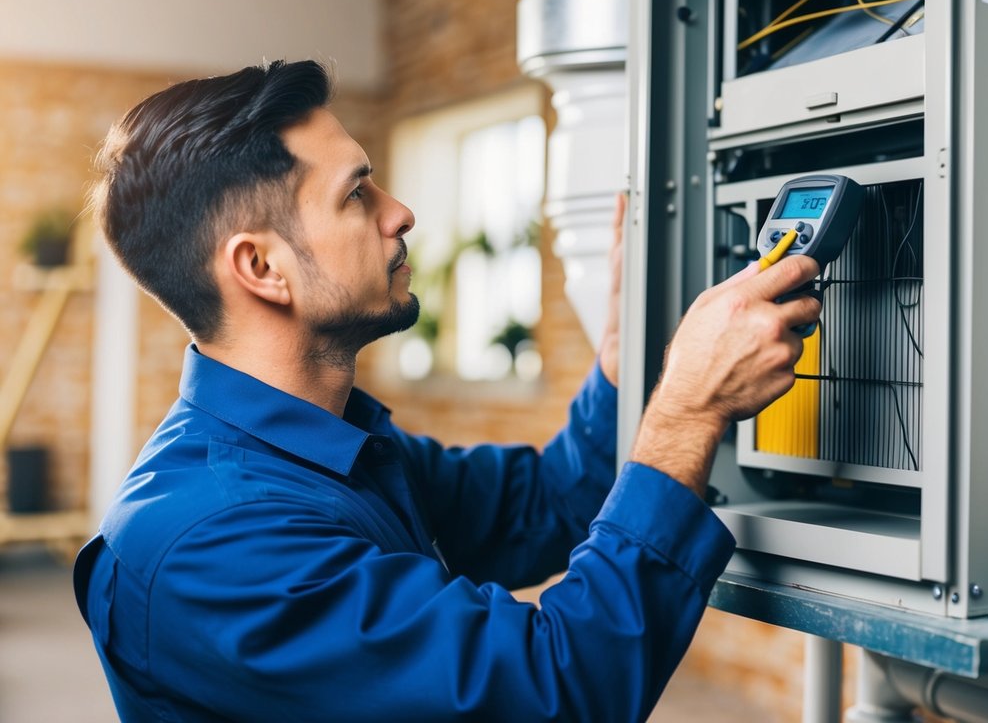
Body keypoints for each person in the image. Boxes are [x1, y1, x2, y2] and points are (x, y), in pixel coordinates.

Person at [73, 60, 821, 722]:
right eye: (357, 193)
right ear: (262, 270)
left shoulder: (330, 452)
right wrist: (689, 410)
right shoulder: (216, 544)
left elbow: (551, 501)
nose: (400, 213)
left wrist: (622, 364)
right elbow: (551, 693)